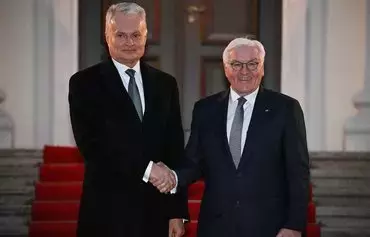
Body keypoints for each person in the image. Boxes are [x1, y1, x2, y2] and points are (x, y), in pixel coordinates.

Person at [155, 37, 310, 237]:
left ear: (262, 68)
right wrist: (173, 177)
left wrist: (294, 225)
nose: (244, 71)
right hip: (216, 227)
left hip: (270, 228)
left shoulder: (286, 109)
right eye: (236, 64)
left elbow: (298, 172)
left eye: (253, 64)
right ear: (226, 69)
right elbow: (194, 162)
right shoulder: (205, 109)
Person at [68, 2, 188, 237]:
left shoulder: (165, 84)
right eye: (121, 35)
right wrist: (148, 169)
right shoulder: (84, 83)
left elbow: (174, 149)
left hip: (156, 214)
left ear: (146, 36)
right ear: (107, 36)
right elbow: (93, 147)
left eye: (136, 35)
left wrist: (177, 211)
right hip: (106, 213)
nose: (129, 42)